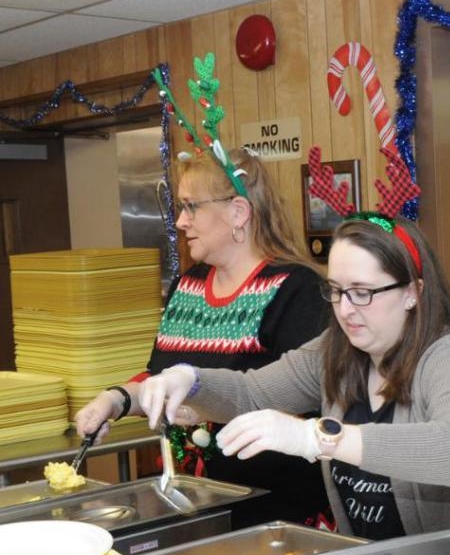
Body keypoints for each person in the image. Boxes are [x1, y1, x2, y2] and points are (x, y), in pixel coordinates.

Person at [133, 210, 450, 552]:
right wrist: (190, 380)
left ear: (413, 293)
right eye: (336, 291)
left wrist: (320, 438)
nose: (346, 309)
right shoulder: (338, 350)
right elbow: (252, 392)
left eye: (363, 292)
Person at [75, 148, 332, 529]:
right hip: (193, 501)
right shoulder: (188, 284)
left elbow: (309, 400)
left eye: (191, 206)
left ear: (238, 213)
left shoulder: (297, 290)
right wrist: (116, 400)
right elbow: (158, 376)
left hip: (275, 511)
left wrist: (209, 405)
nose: (181, 221)